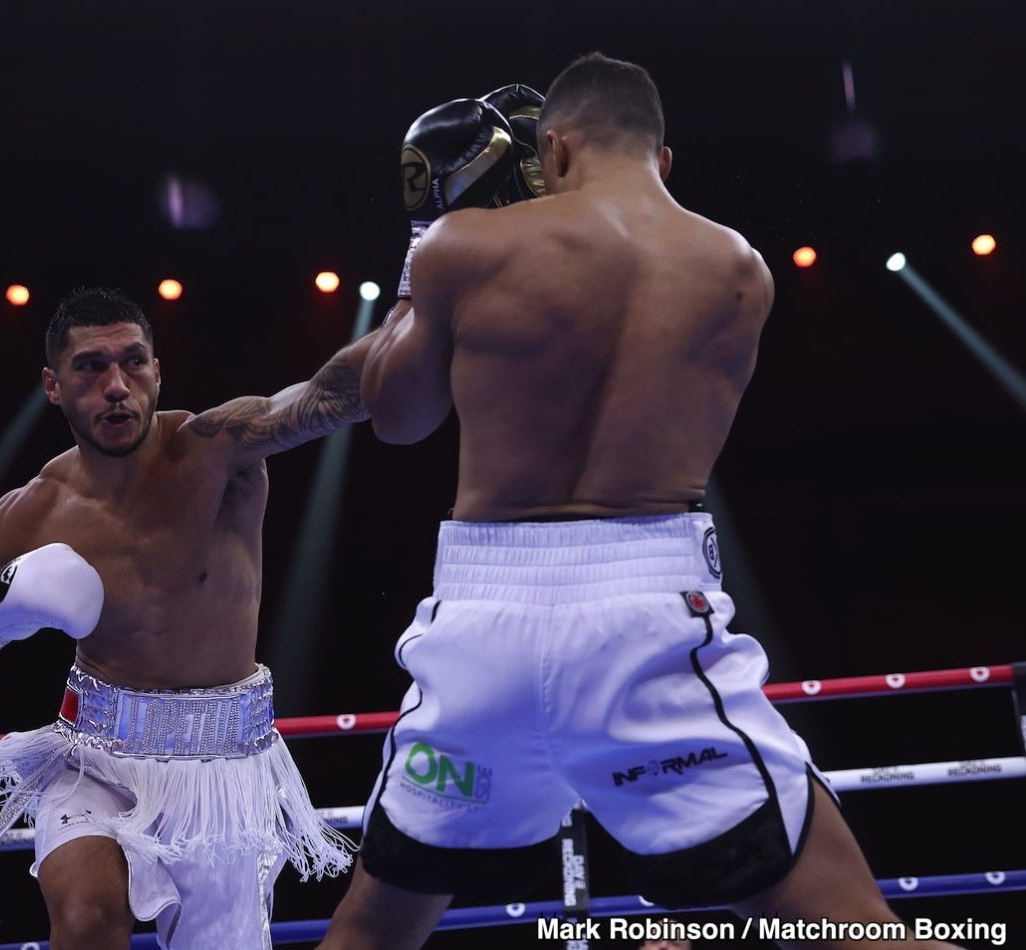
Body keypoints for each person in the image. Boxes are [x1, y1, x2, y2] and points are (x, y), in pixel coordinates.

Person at [317, 55, 962, 949]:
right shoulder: (738, 268)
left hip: (480, 624)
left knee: (371, 930)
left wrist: (425, 240)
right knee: (855, 929)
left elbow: (397, 417)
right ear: (662, 159)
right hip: (649, 618)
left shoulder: (465, 247)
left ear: (553, 150)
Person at [0, 286, 375, 949]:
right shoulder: (34, 511)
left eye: (133, 362)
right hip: (93, 759)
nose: (117, 386)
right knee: (87, 920)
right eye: (91, 367)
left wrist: (423, 320)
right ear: (53, 385)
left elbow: (325, 397)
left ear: (157, 370)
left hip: (223, 767)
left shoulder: (217, 449)